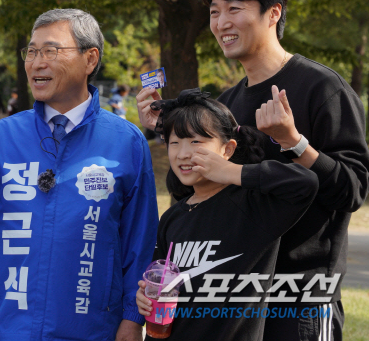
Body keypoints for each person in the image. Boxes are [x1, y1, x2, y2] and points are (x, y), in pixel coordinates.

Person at [136, 0, 369, 340]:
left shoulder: (322, 88)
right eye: (214, 12)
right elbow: (197, 194)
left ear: (272, 13)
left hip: (300, 299)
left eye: (234, 9)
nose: (221, 22)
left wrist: (293, 141)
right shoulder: (226, 103)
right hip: (235, 305)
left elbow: (353, 190)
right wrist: (170, 133)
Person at [0, 8, 159, 341]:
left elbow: (140, 239)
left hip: (91, 329)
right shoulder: (2, 136)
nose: (36, 62)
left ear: (90, 60)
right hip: (11, 327)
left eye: (51, 51)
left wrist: (132, 319)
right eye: (31, 52)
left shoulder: (126, 141)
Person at [135, 88, 318, 341]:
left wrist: (232, 172)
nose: (183, 153)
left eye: (196, 141)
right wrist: (145, 295)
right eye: (175, 142)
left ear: (228, 149)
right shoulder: (173, 217)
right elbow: (160, 275)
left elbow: (305, 183)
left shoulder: (254, 206)